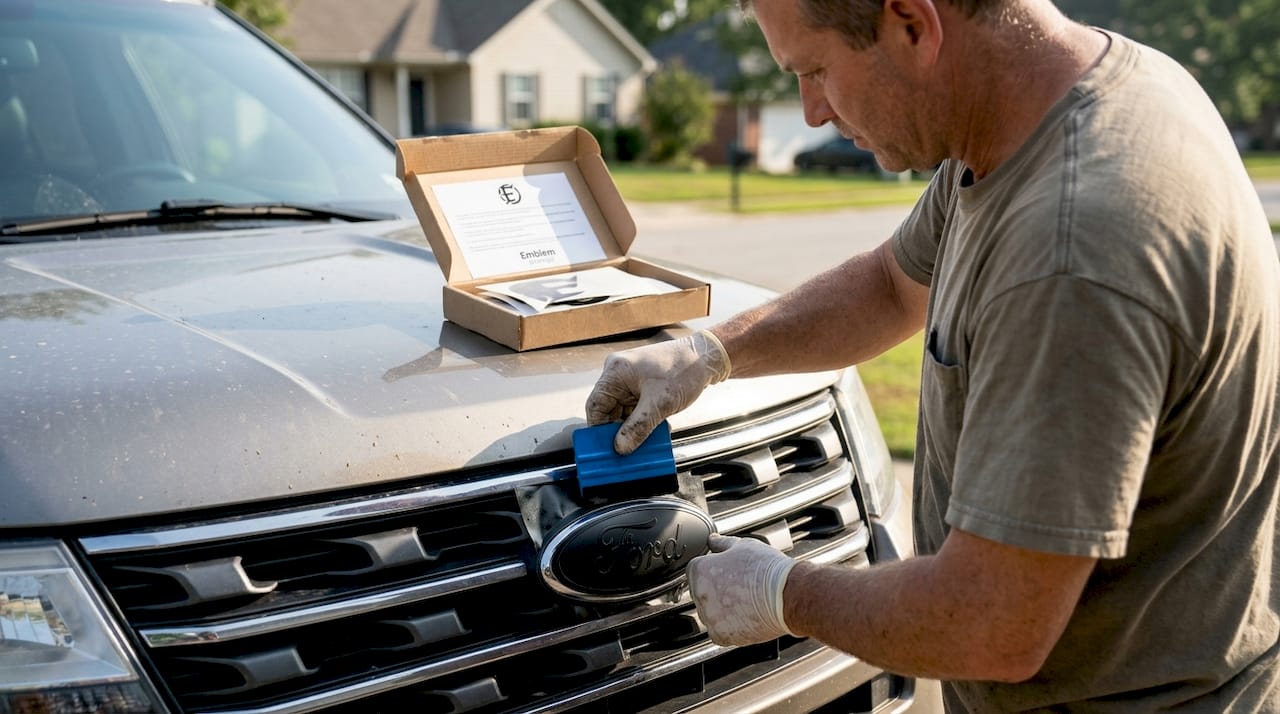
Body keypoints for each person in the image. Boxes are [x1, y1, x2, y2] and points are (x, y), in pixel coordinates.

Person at [584, 0, 1280, 710]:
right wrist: (710, 353)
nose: (813, 112)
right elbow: (891, 285)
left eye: (817, 70)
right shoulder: (1035, 115)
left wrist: (782, 593)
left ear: (913, 25)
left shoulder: (1073, 250)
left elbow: (993, 624)